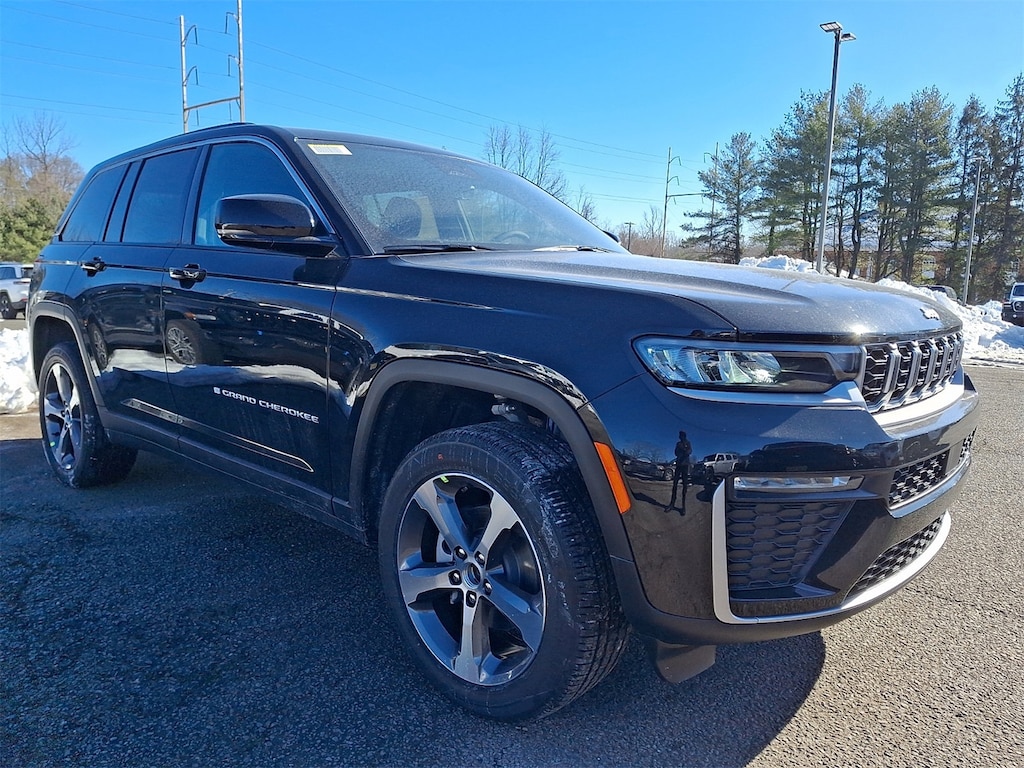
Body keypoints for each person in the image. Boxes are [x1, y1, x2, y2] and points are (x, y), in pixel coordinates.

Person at [665, 430, 692, 513]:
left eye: (681, 435)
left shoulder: (688, 443)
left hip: (685, 466)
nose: (680, 437)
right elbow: (675, 453)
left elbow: (689, 452)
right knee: (675, 485)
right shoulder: (678, 444)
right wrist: (679, 450)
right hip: (678, 465)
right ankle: (672, 504)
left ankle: (683, 507)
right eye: (680, 436)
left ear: (684, 436)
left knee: (684, 485)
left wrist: (684, 449)